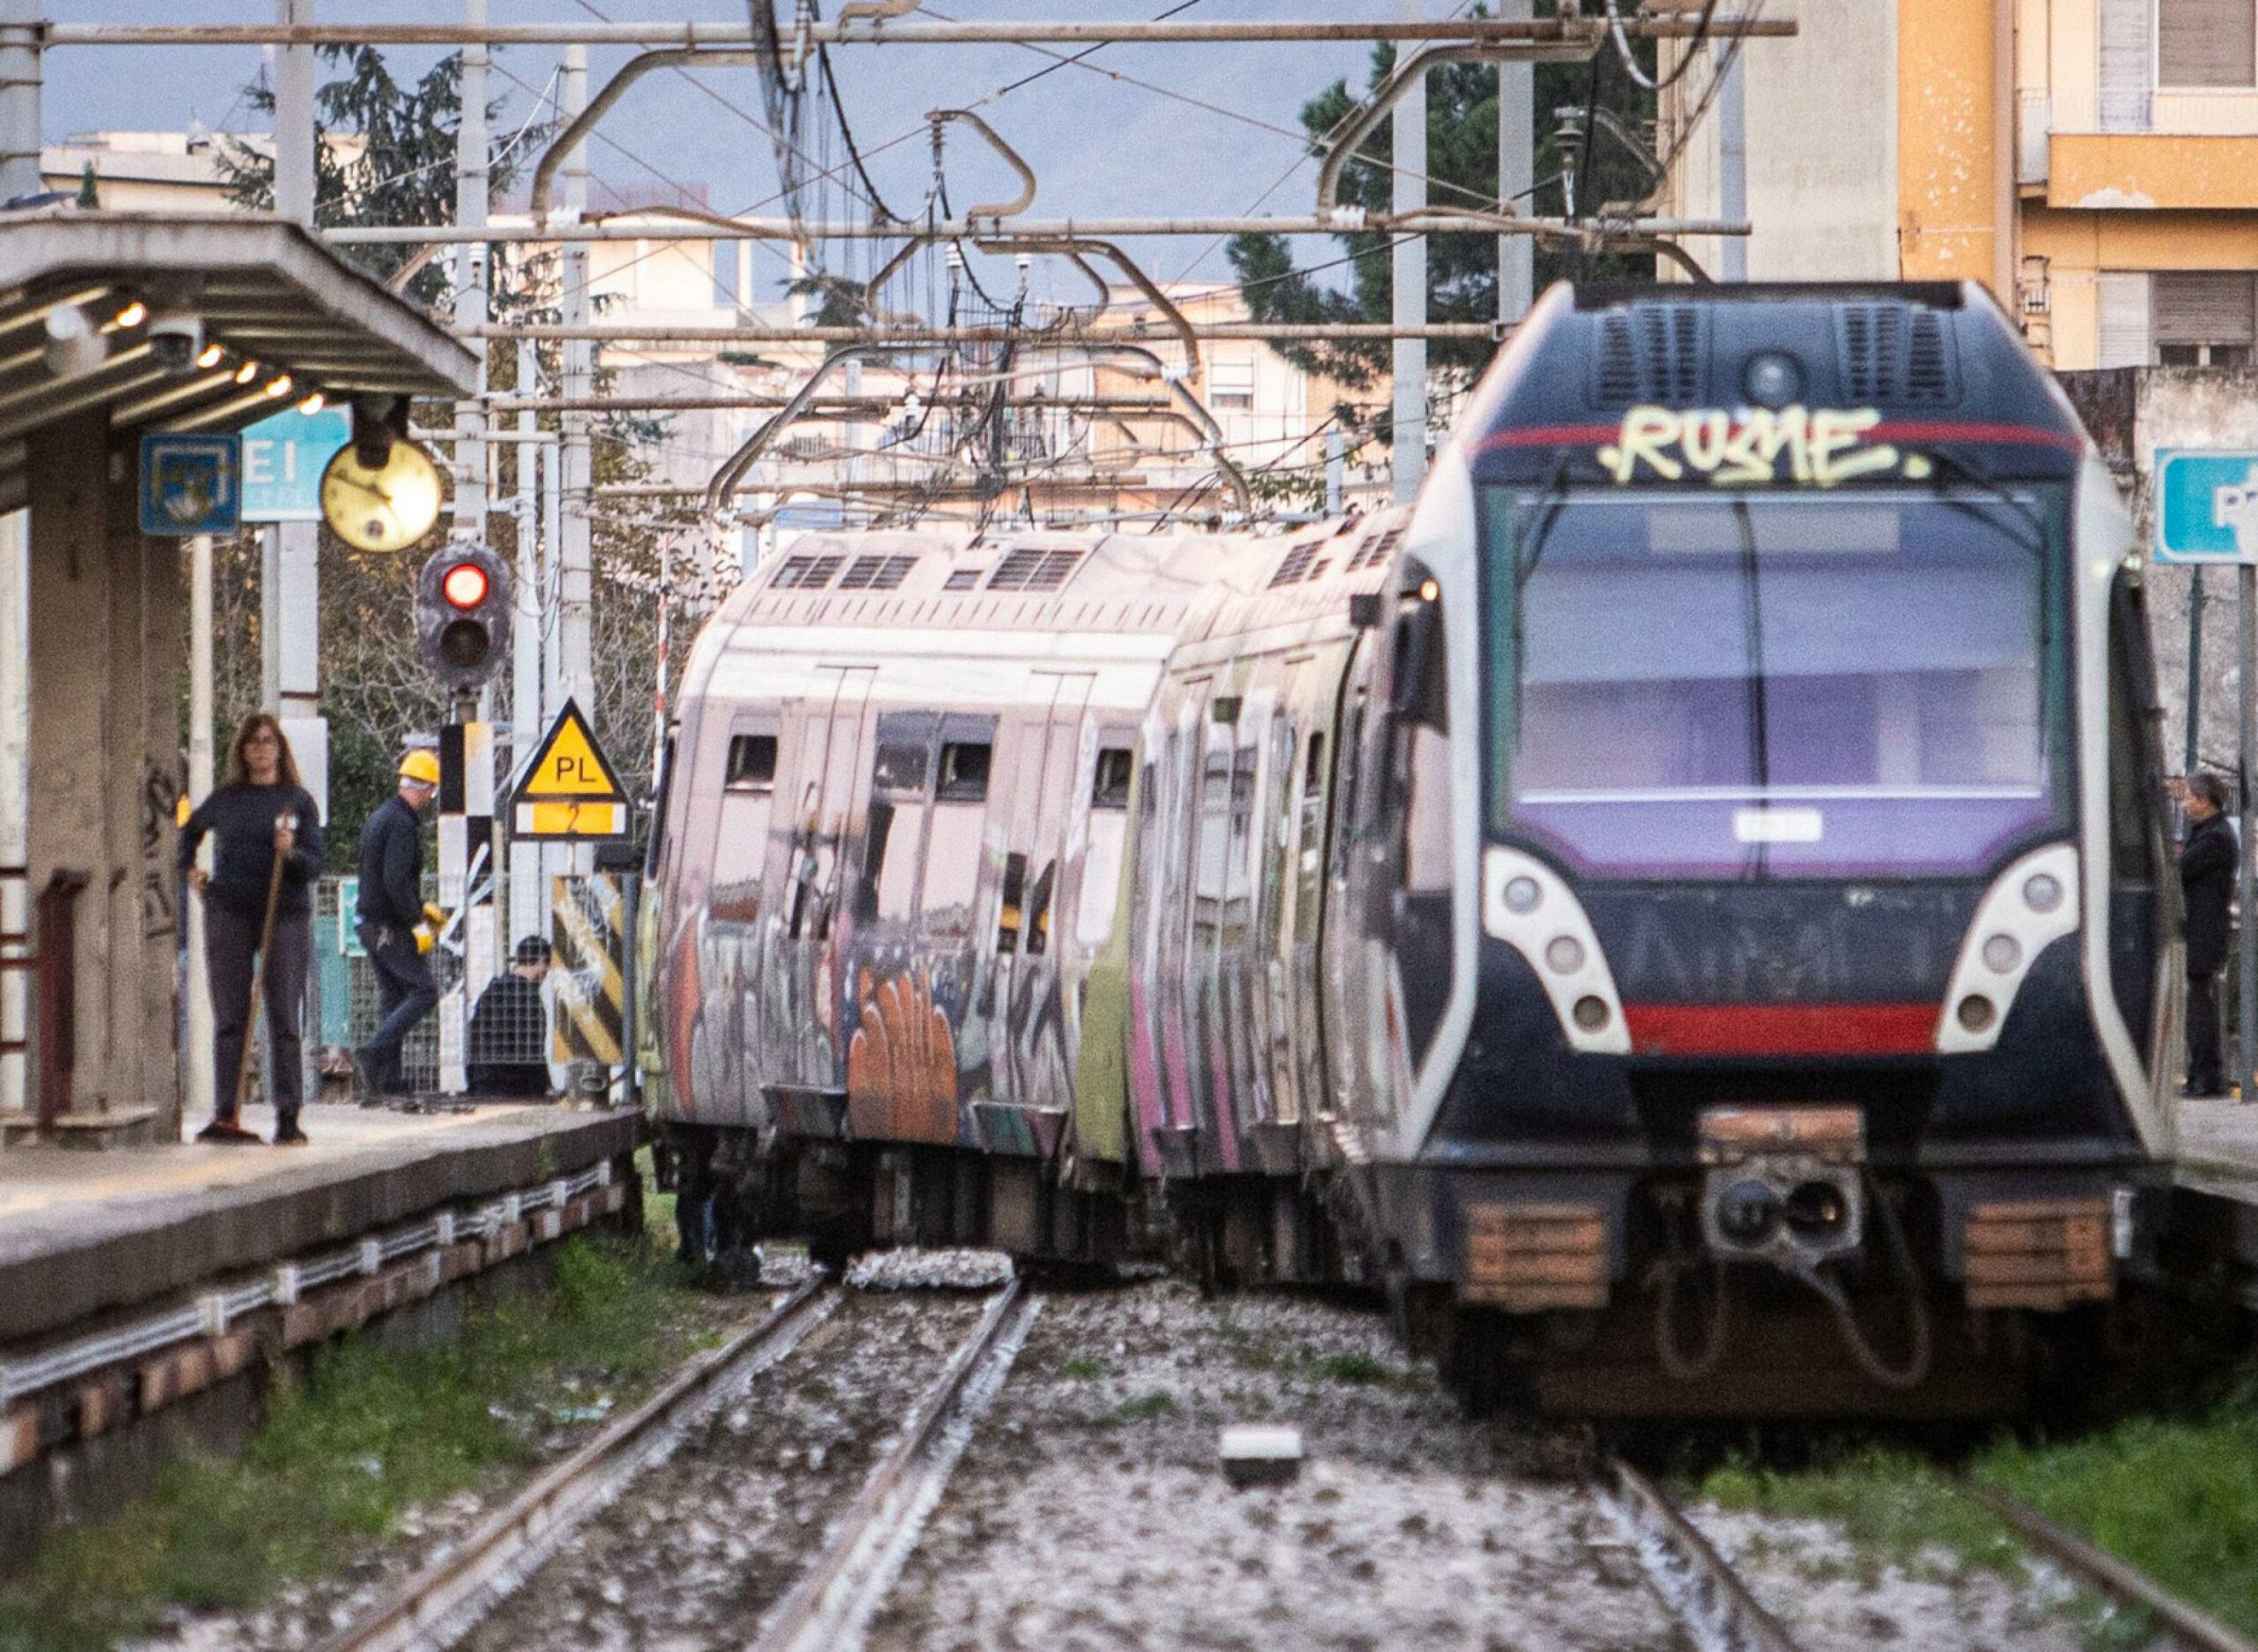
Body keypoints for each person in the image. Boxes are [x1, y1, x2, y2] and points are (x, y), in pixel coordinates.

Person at [178, 714, 323, 1145]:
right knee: (230, 1016)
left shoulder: (297, 802)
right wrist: (191, 872)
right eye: (252, 742)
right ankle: (227, 1112)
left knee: (283, 1017)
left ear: (280, 748)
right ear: (241, 750)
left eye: (268, 741)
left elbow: (315, 865)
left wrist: (291, 852)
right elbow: (188, 834)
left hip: (285, 913)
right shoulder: (226, 799)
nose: (260, 749)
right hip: (230, 911)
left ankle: (288, 1117)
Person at [355, 749, 441, 1099]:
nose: (429, 799)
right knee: (424, 991)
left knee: (393, 995)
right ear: (426, 788)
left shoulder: (381, 817)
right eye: (431, 791)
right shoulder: (403, 824)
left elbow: (382, 878)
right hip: (389, 926)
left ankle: (388, 1081)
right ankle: (375, 1052)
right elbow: (395, 881)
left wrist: (422, 907)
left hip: (370, 924)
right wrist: (417, 922)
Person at [2180, 769, 2238, 1098]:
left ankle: (2207, 1076)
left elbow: (2182, 870)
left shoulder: (2214, 838)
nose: (2185, 804)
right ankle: (2200, 1074)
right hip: (2202, 930)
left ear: (2204, 802)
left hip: (2204, 932)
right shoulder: (2210, 834)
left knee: (2200, 1008)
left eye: (2189, 798)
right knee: (2197, 1006)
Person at [467, 934, 554, 1098]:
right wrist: (545, 1087)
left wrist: (473, 1082)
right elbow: (533, 1051)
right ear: (542, 961)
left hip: (483, 1082)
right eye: (547, 967)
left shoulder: (490, 992)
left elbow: (473, 1036)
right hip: (517, 1087)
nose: (546, 973)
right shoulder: (531, 999)